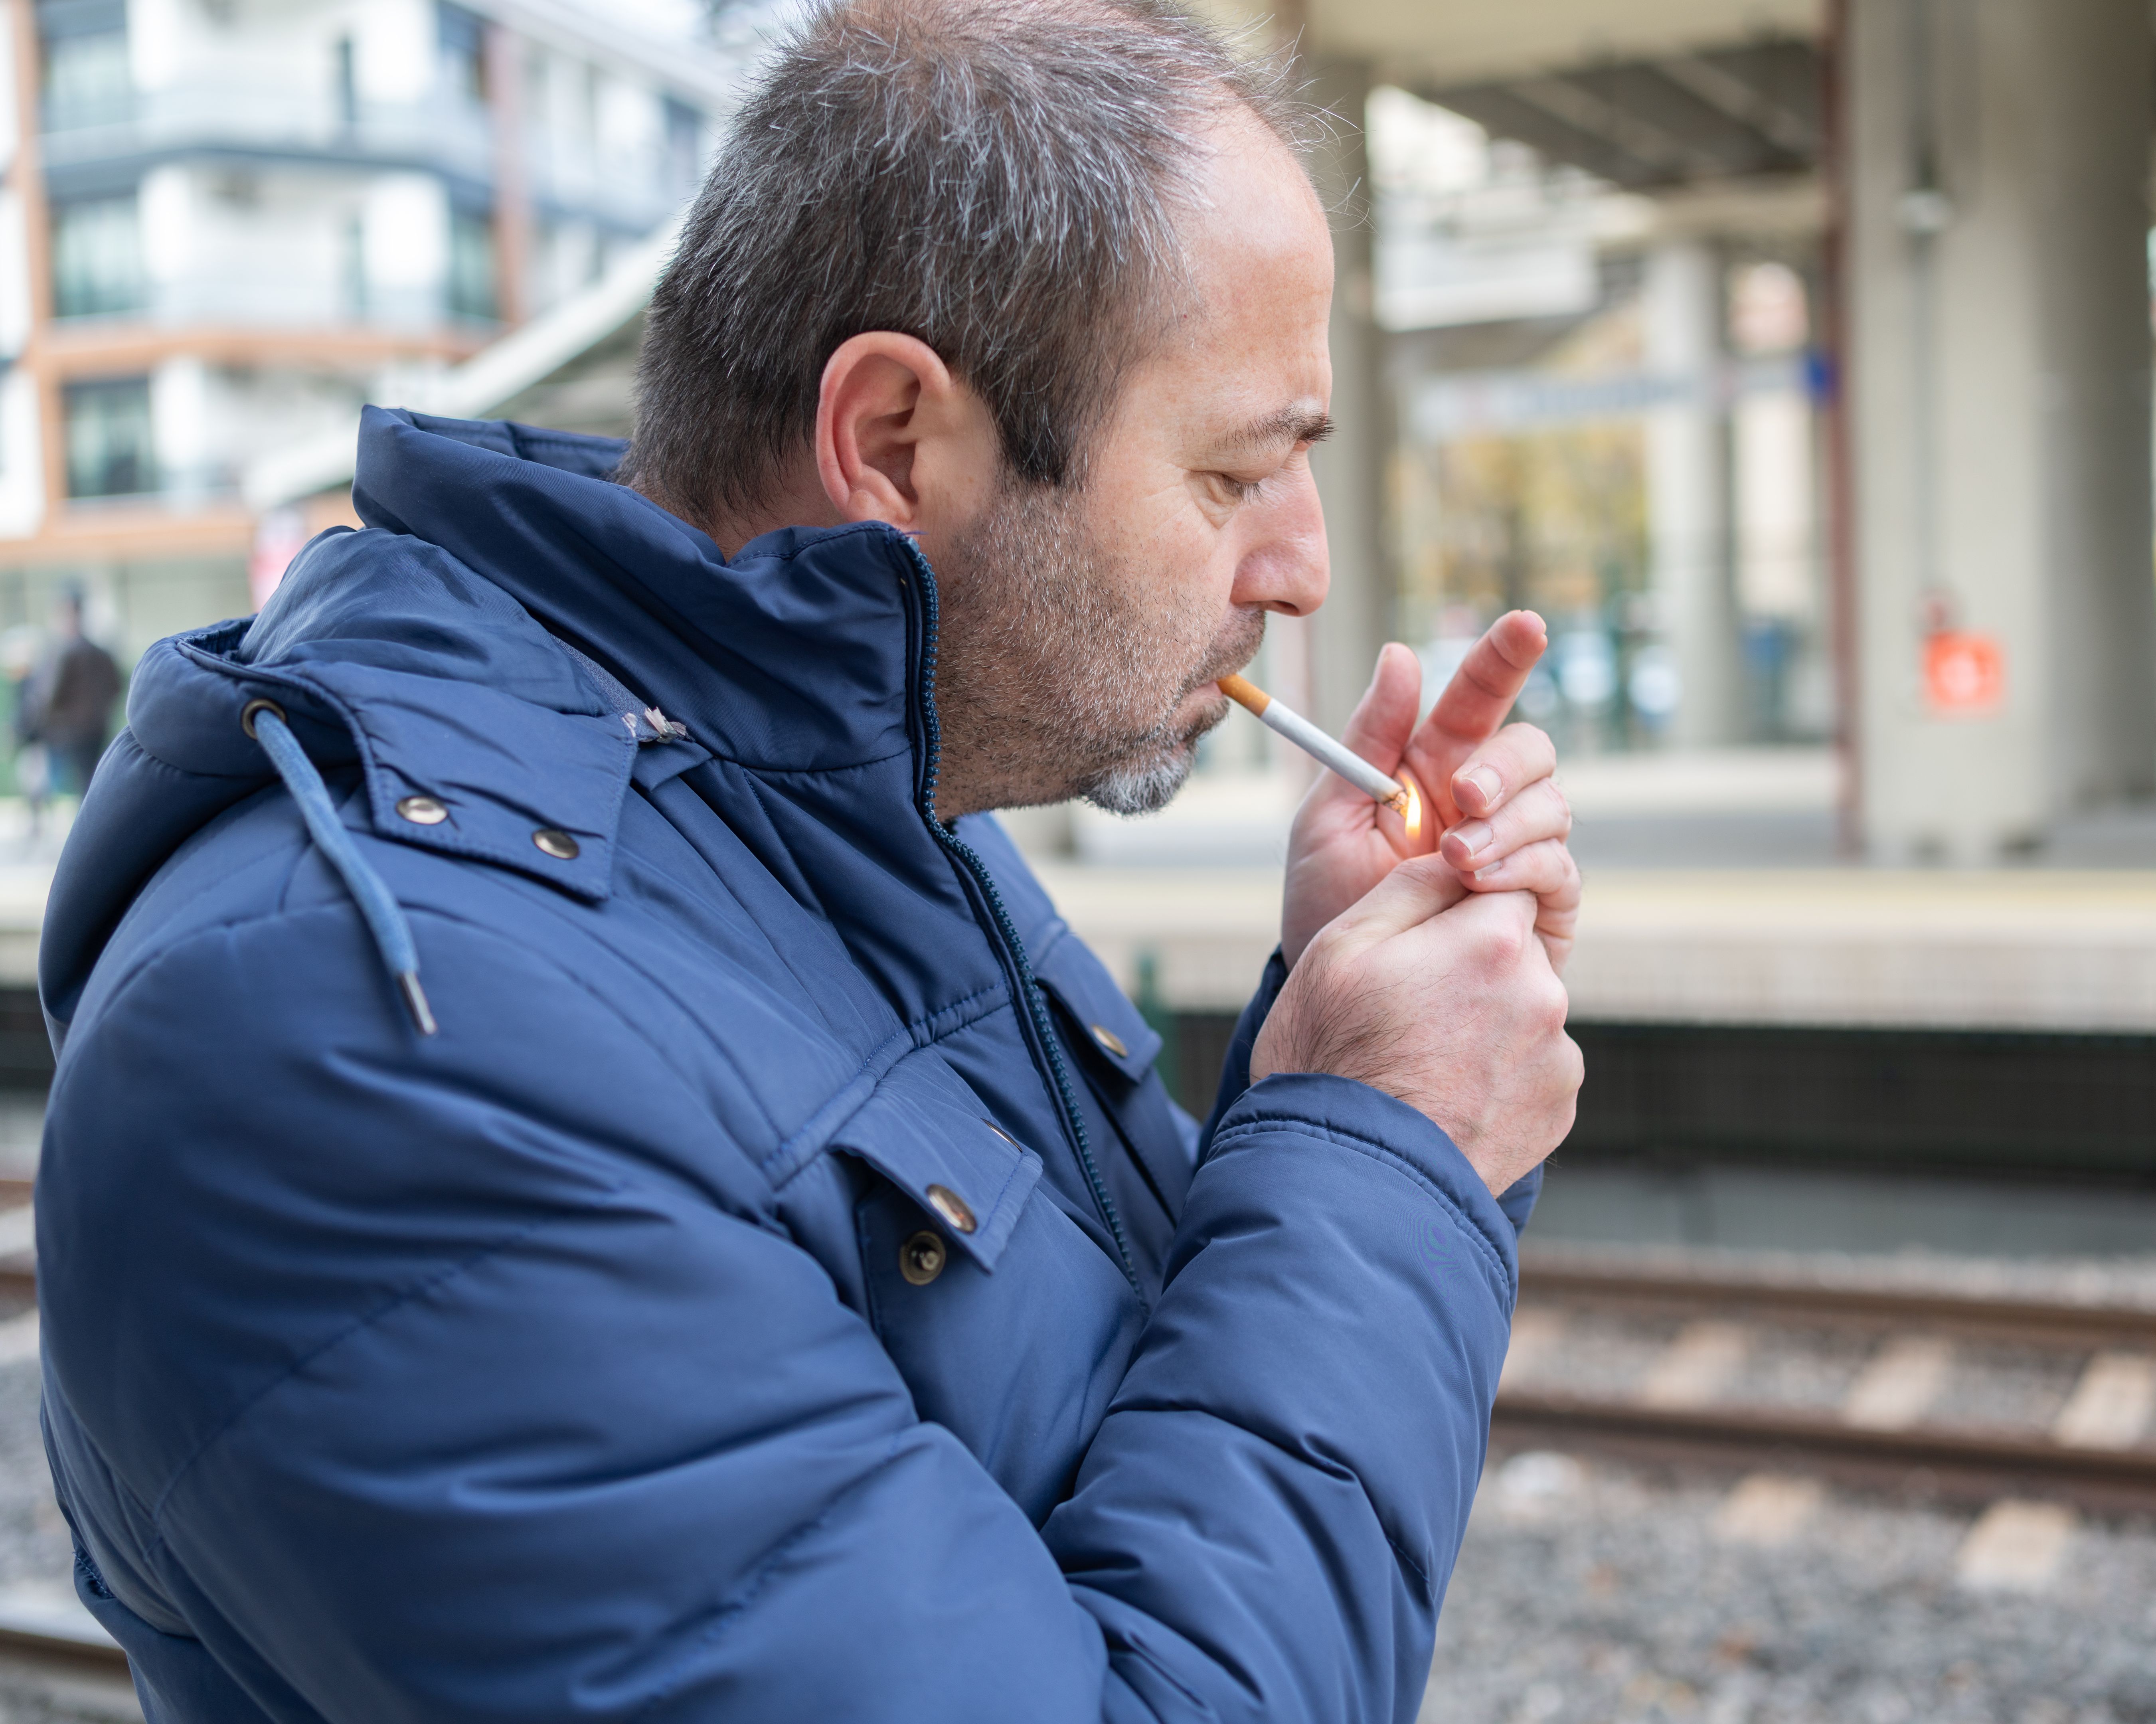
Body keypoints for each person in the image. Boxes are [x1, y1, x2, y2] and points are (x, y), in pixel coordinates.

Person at [36, 2, 1584, 1720]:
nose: (1298, 569)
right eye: (1233, 474)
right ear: (895, 440)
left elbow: (1136, 1413)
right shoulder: (361, 1042)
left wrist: (1362, 1034)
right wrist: (1381, 1137)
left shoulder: (835, 809)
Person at [20, 589, 119, 804]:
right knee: (91, 780)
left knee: (70, 781)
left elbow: (49, 695)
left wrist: (36, 721)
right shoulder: (101, 653)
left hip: (70, 731)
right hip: (97, 726)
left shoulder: (64, 653)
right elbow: (116, 687)